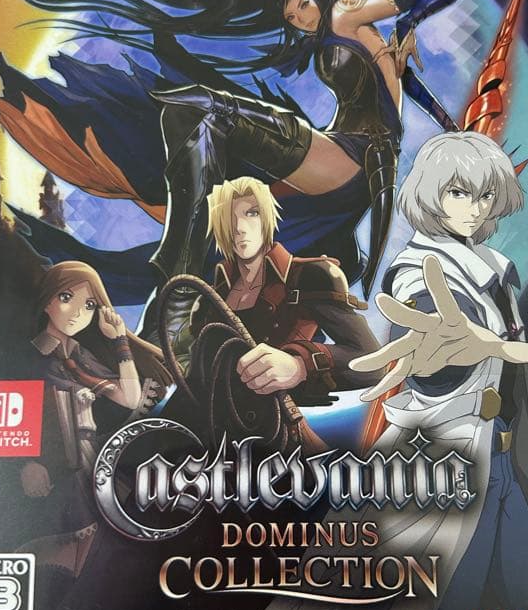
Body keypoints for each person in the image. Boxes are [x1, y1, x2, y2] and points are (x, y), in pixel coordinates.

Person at [0, 0, 462, 338]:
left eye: (301, 4)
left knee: (200, 111)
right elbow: (396, 92)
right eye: (292, 17)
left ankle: (177, 282)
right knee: (222, 183)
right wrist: (447, 122)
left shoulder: (343, 13)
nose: (301, 18)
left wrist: (407, 22)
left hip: (353, 158)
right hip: (347, 162)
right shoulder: (349, 37)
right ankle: (184, 292)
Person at [347, 131, 528, 610]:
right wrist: (450, 353)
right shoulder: (419, 271)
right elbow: (430, 331)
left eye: (484, 195)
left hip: (512, 457)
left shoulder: (486, 264)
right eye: (459, 192)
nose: (475, 207)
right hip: (452, 463)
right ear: (431, 194)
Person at [162, 177, 381, 452]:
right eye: (230, 218)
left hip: (275, 440)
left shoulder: (309, 275)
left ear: (267, 218)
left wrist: (299, 366)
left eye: (251, 213)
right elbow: (194, 377)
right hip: (205, 440)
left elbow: (373, 362)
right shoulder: (211, 297)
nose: (240, 227)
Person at [19, 261, 170, 577]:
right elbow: (12, 415)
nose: (78, 312)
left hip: (92, 465)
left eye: (89, 305)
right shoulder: (30, 357)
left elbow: (129, 398)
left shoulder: (79, 354)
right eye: (66, 298)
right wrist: (26, 462)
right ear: (46, 301)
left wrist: (120, 342)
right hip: (56, 474)